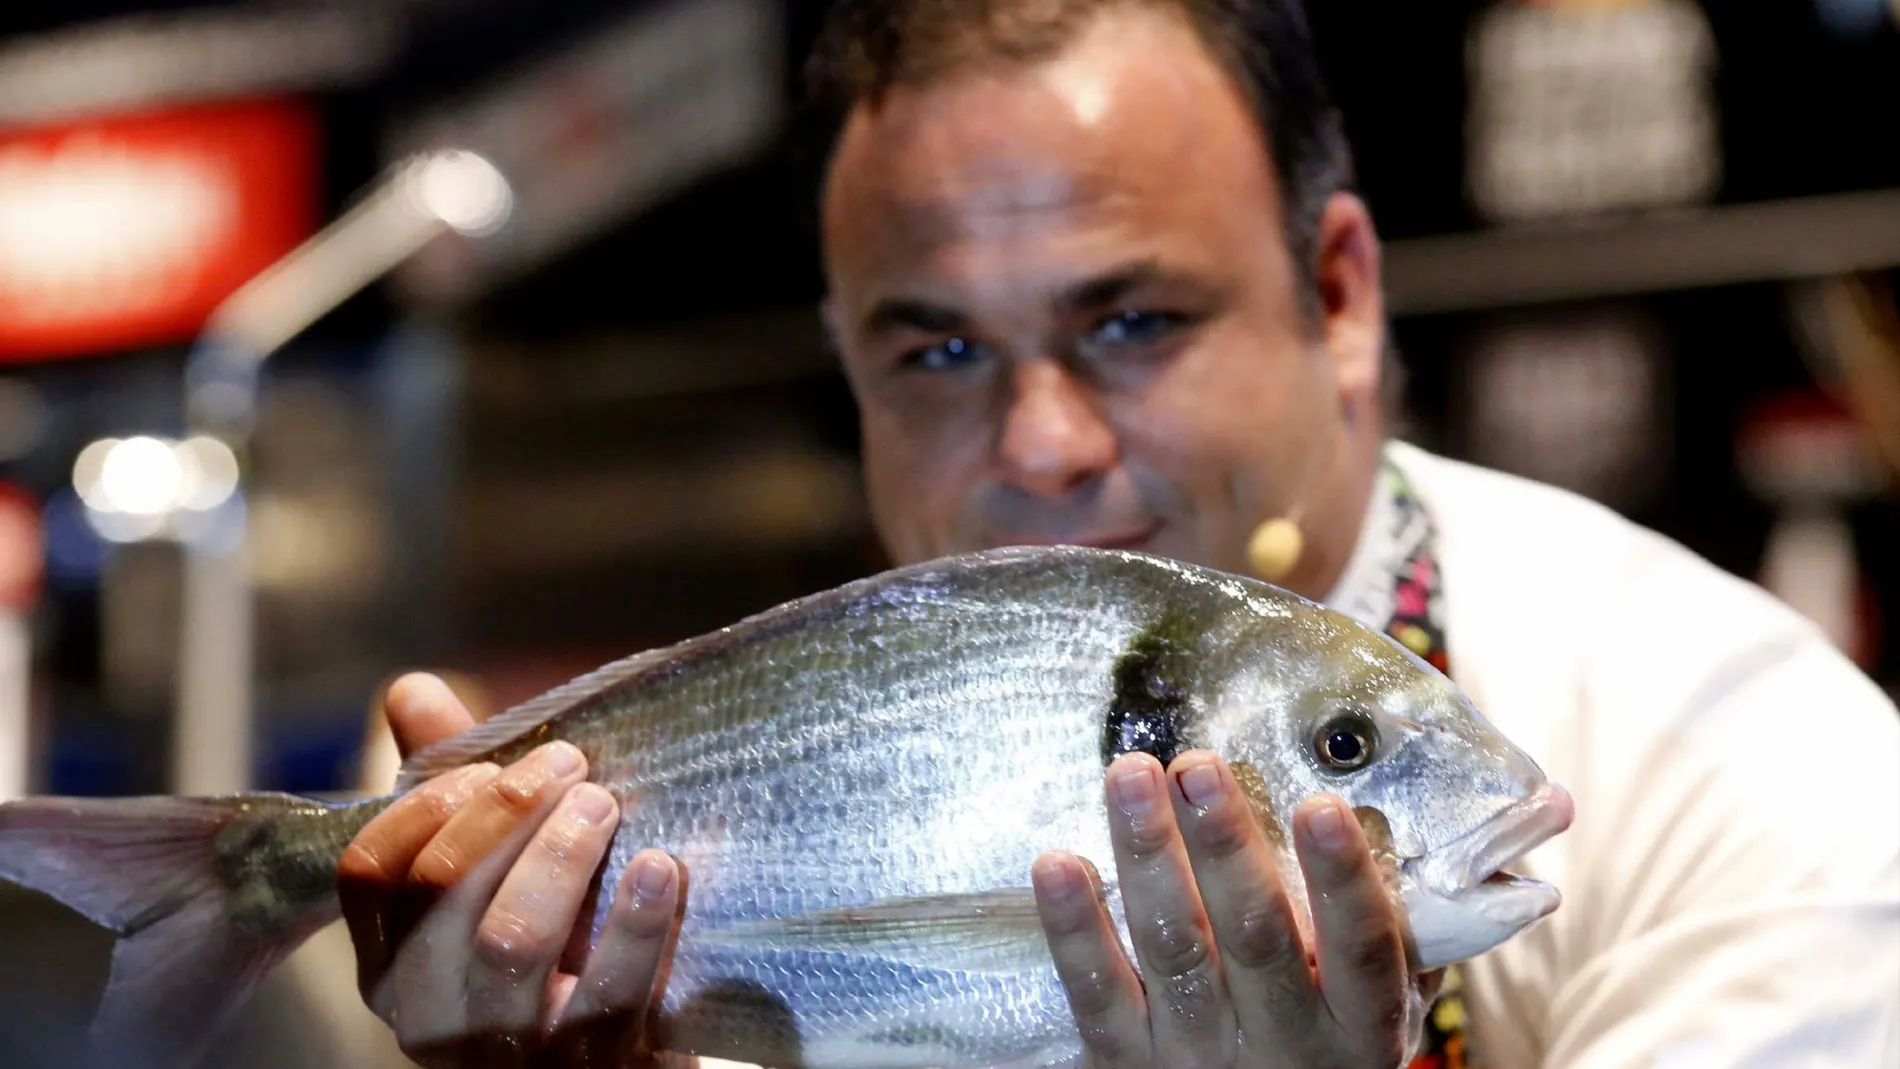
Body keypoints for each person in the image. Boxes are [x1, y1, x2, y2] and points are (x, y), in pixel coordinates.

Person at [334, 0, 1900, 1066]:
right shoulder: (823, 767)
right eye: (935, 352)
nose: (1043, 446)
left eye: (1134, 320)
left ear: (1339, 297)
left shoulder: (1763, 775)